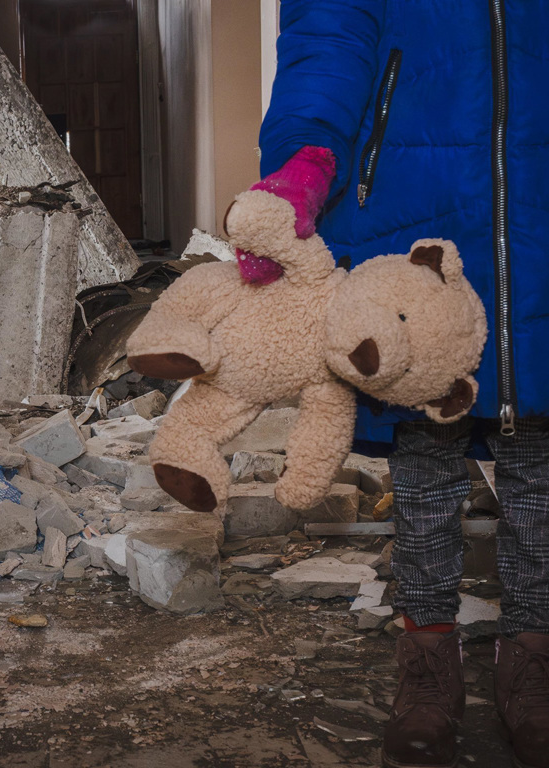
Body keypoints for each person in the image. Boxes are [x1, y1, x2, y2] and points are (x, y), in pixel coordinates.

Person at [243, 3, 549, 767]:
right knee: (425, 473)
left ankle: (533, 668)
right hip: (415, 207)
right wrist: (306, 154)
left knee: (539, 470)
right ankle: (427, 669)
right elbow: (329, 37)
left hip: (540, 205)